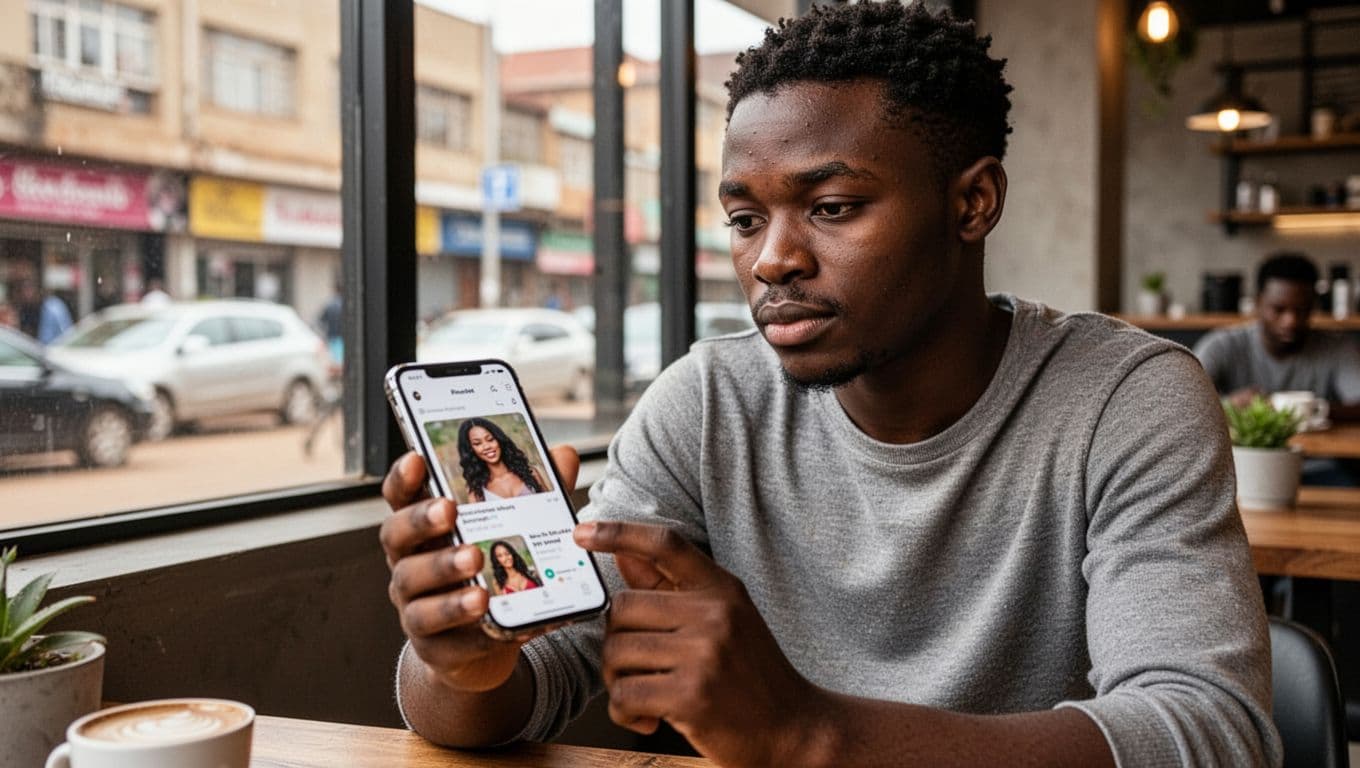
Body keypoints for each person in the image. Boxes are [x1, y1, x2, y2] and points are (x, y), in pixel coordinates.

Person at [379, 5, 1278, 766]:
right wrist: (461, 666)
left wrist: (810, 733)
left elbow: (1206, 730)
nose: (772, 258)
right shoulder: (705, 406)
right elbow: (542, 679)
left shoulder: (1126, 399)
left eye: (832, 207)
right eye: (743, 217)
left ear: (972, 204)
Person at [1195, 252, 1360, 419]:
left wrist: (1315, 409)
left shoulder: (1338, 348)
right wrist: (1229, 405)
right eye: (1278, 310)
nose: (1290, 321)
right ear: (1258, 303)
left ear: (1313, 306)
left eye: (1301, 310)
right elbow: (1186, 405)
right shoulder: (1220, 345)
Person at [456, 418, 549, 503]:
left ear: (499, 439)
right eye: (477, 443)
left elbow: (551, 505)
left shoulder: (530, 473)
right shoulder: (475, 490)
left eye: (490, 439)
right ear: (470, 449)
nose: (487, 447)